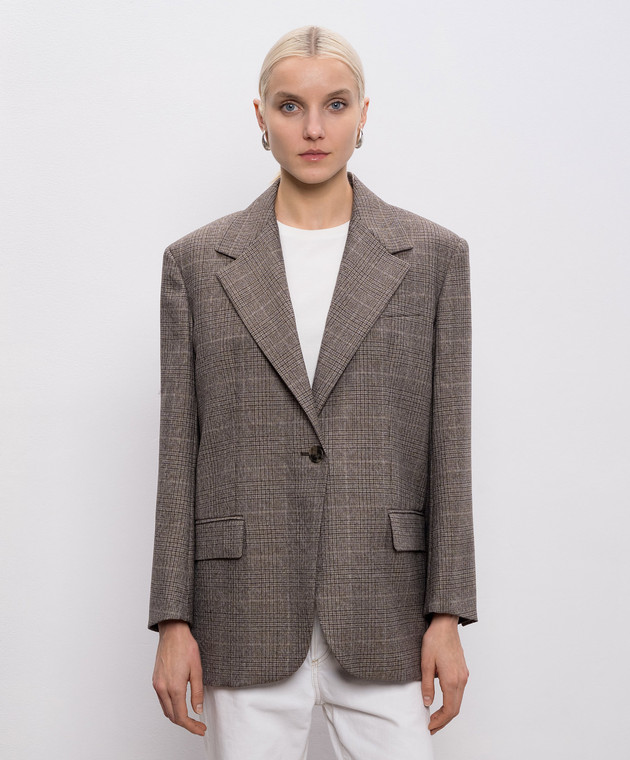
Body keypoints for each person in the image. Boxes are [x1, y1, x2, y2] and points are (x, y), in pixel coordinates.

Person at [148, 25, 477, 760]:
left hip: (386, 610)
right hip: (244, 611)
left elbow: (448, 446)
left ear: (364, 114)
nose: (315, 129)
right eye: (290, 106)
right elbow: (178, 453)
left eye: (336, 104)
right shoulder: (197, 264)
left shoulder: (432, 258)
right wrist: (173, 620)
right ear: (261, 117)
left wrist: (448, 613)